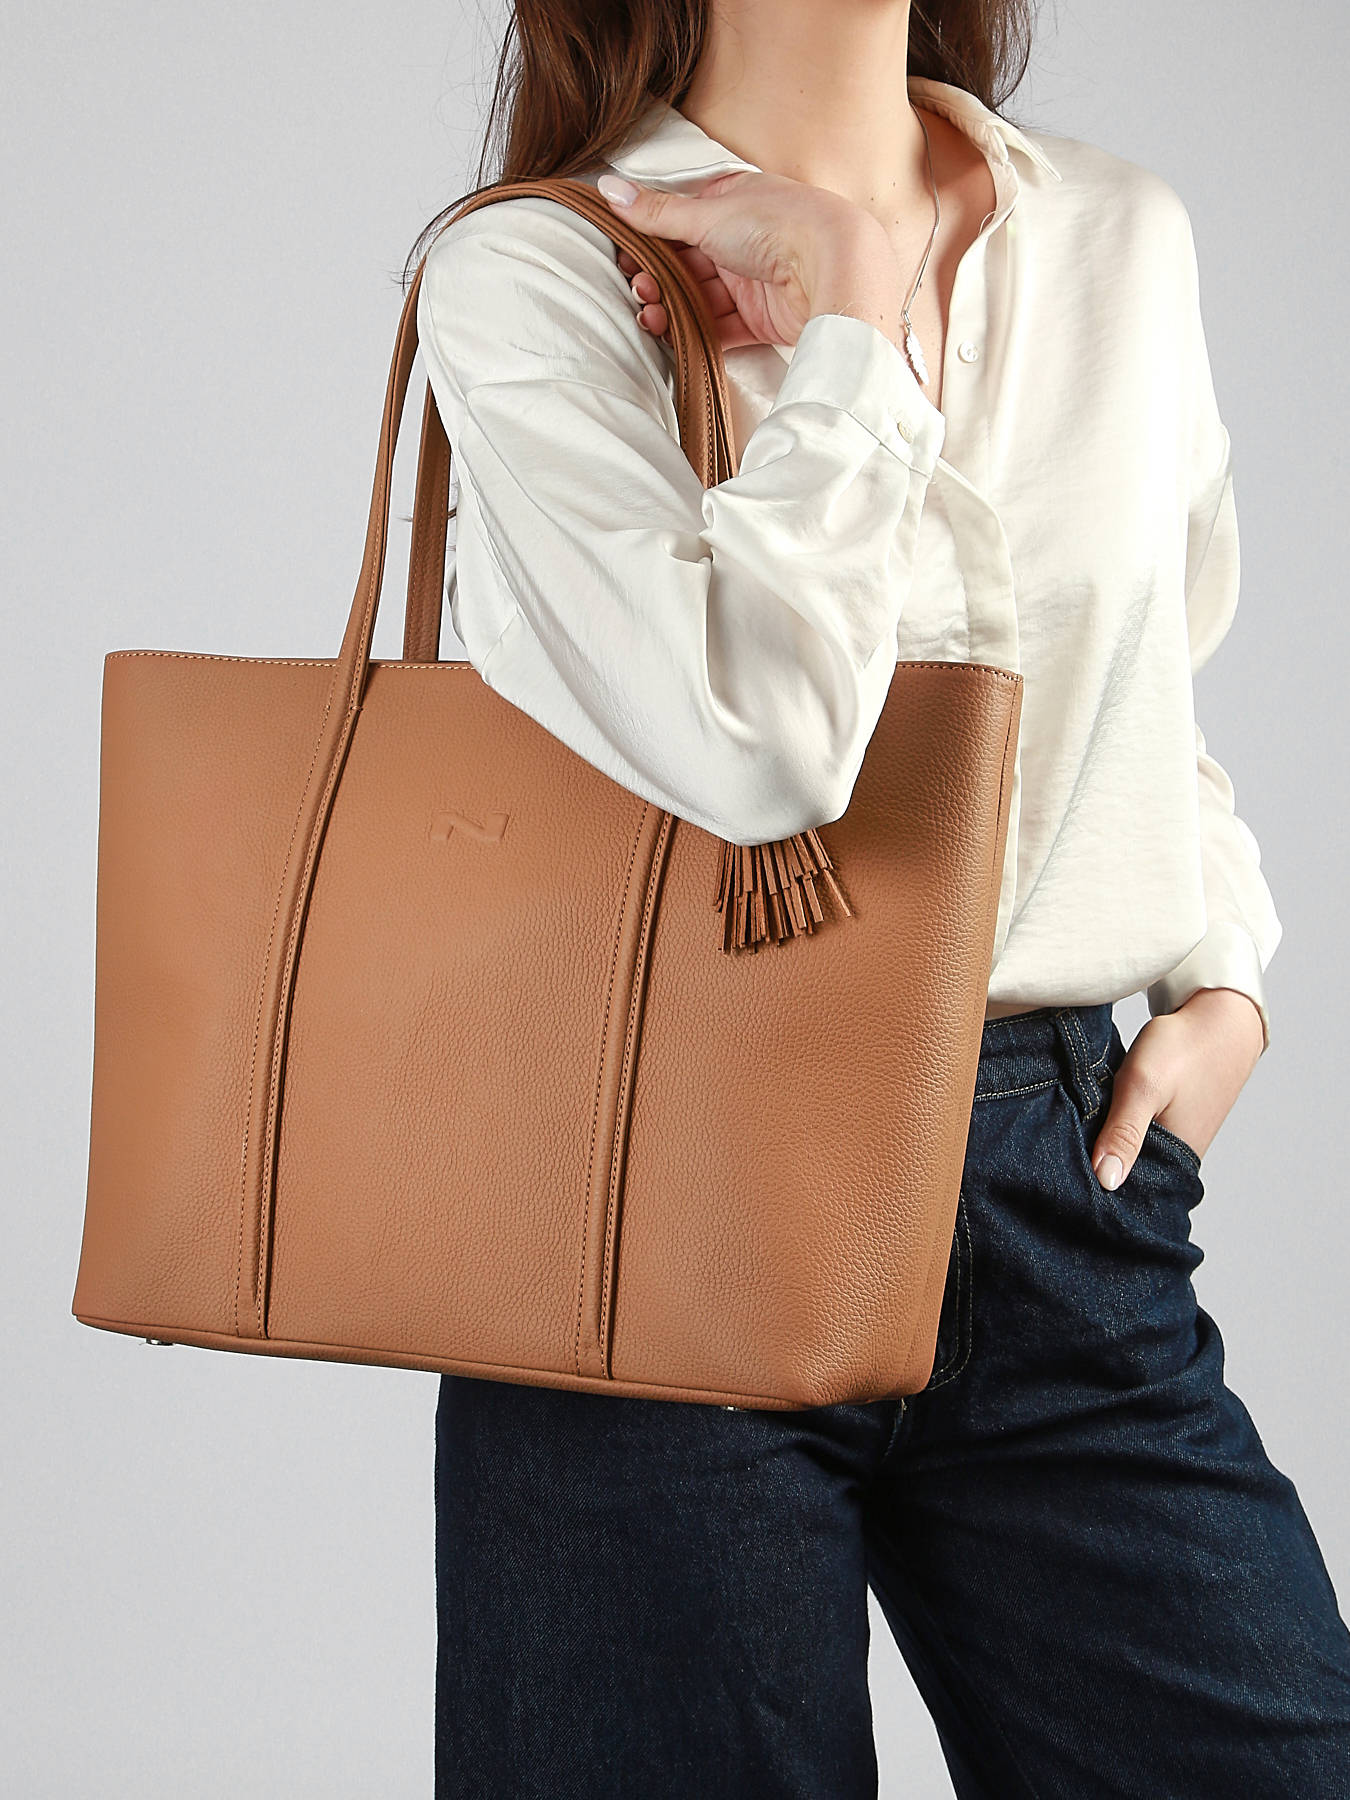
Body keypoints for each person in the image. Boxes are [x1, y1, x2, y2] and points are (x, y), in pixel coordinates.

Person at [410, 1, 1350, 1793]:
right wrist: (846, 314)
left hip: (1057, 1187)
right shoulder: (540, 273)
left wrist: (1223, 971)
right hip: (656, 1212)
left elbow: (1149, 671)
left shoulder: (1115, 235)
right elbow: (756, 742)